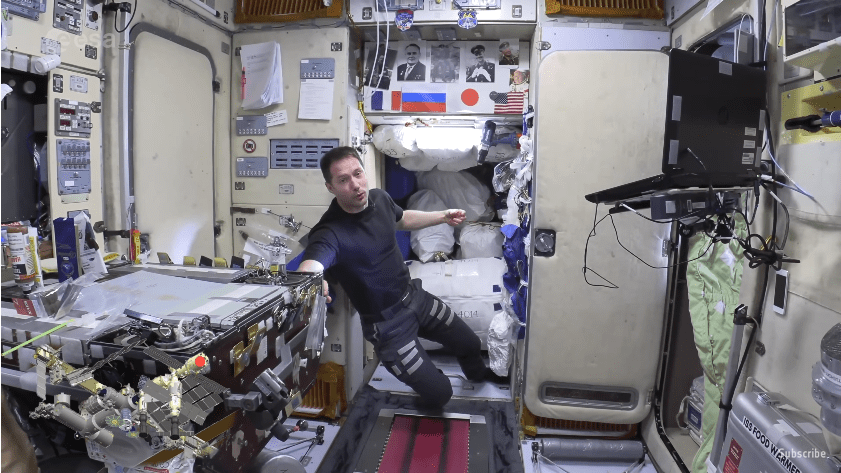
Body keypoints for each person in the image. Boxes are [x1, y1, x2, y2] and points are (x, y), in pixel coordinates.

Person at [298, 147, 505, 408]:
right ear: (331, 187)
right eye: (343, 180)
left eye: (358, 174)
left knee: (470, 343)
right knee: (440, 394)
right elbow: (311, 264)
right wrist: (314, 280)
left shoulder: (379, 198)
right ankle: (427, 379)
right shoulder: (329, 232)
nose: (355, 185)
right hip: (388, 327)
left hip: (416, 299)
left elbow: (402, 218)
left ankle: (476, 375)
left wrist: (442, 217)